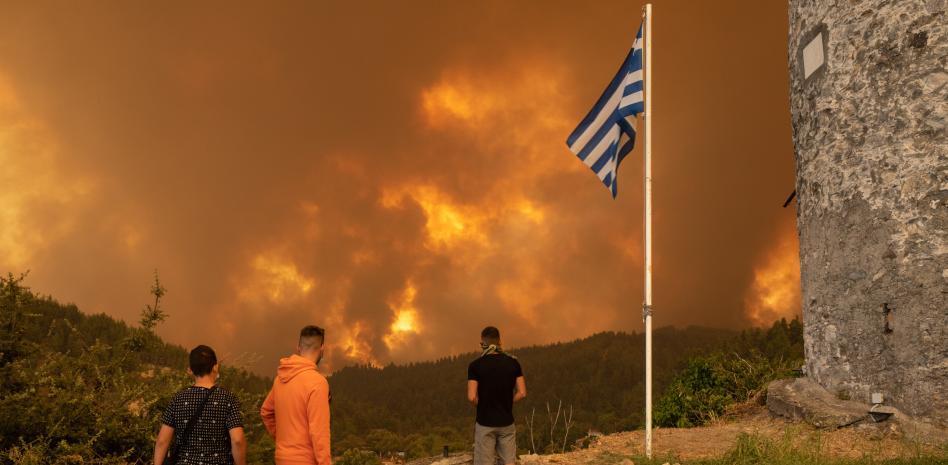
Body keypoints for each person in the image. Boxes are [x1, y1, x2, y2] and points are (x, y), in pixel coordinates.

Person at [154, 345, 246, 465]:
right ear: (215, 367)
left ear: (190, 370)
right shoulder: (228, 399)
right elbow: (238, 440)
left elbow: (162, 441)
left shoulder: (178, 399)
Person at [260, 325, 331, 465]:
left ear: (298, 347)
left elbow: (265, 412)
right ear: (322, 349)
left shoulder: (279, 379)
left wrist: (284, 443)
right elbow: (319, 433)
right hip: (305, 460)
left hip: (282, 458)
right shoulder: (317, 382)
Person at [467, 326, 526, 465]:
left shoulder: (475, 365)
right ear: (500, 341)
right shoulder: (513, 362)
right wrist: (507, 402)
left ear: (483, 343)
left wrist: (483, 404)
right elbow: (522, 393)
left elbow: (471, 396)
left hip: (485, 423)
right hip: (507, 423)